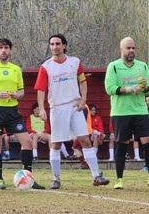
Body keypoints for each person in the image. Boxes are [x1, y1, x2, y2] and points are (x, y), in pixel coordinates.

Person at [34, 33, 109, 189]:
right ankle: (56, 178)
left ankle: (96, 176)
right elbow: (41, 89)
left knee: (85, 140)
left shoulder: (75, 62)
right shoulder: (46, 67)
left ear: (64, 45)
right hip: (57, 108)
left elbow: (83, 81)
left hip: (75, 106)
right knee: (55, 144)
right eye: (52, 44)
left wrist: (83, 99)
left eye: (58, 44)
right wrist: (41, 108)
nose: (55, 47)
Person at [0, 38, 45, 189]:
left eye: (6, 47)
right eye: (0, 47)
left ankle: (29, 179)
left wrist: (18, 95)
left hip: (13, 111)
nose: (3, 50)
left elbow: (22, 91)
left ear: (10, 50)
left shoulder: (16, 69)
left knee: (27, 142)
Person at [105, 36, 149, 189]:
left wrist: (144, 87)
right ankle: (119, 179)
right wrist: (129, 89)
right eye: (128, 48)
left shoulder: (142, 66)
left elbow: (147, 86)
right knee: (122, 144)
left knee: (147, 141)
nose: (131, 51)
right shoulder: (114, 66)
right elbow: (109, 88)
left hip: (140, 110)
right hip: (120, 112)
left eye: (133, 48)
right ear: (121, 50)